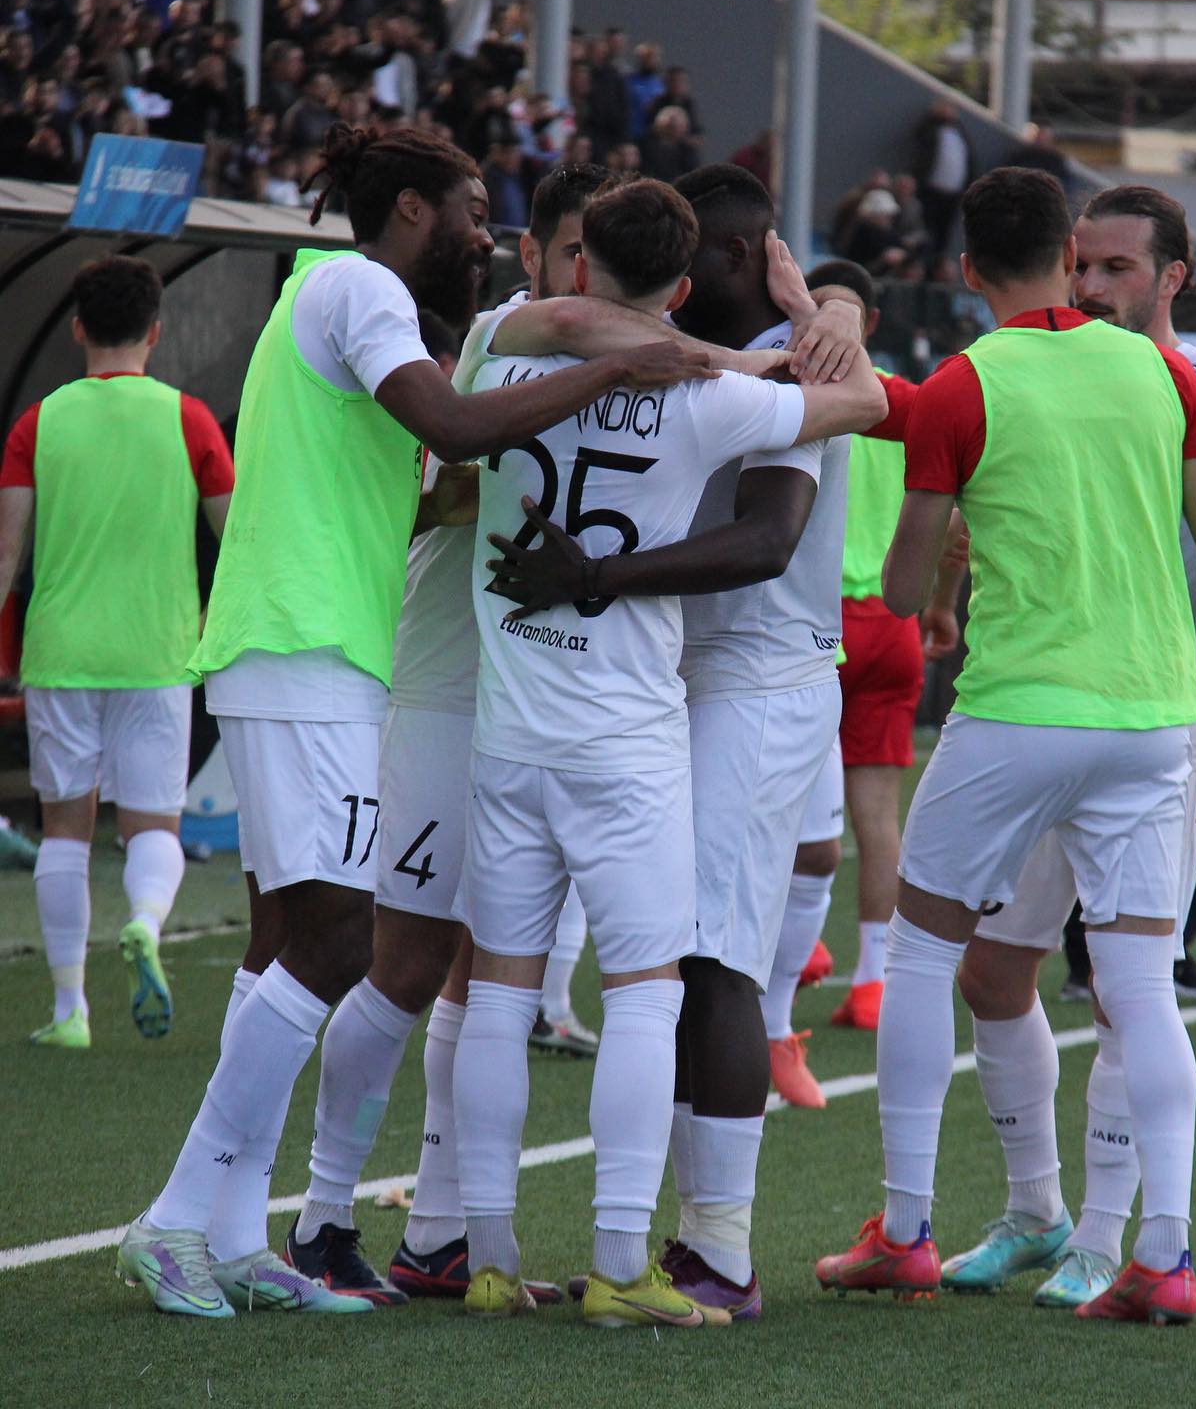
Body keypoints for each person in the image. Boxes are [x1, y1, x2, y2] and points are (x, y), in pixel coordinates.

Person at [114, 124, 705, 1321]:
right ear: (414, 211)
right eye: (476, 210)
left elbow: (427, 485)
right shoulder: (362, 287)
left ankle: (236, 1234)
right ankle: (175, 1217)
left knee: (287, 944)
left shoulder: (334, 300)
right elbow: (458, 429)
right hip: (311, 651)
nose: (488, 234)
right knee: (342, 945)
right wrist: (620, 373)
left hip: (308, 651)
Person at [812, 167, 1196, 1327]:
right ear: (1070, 258)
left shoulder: (964, 384)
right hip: (1153, 717)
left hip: (1018, 711)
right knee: (1140, 986)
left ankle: (906, 1229)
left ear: (966, 272)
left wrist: (951, 555)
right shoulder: (1167, 375)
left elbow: (902, 587)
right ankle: (1163, 1255)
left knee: (922, 954)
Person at [450, 175, 885, 1326]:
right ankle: (640, 1256)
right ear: (694, 274)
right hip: (640, 703)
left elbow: (769, 538)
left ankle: (694, 1249)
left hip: (738, 681)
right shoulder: (738, 387)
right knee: (661, 982)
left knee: (695, 966)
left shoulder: (514, 357)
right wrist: (819, 316)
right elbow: (868, 405)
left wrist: (820, 317)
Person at [932, 184, 1196, 1310]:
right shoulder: (1038, 370)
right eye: (1082, 264)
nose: (1090, 285)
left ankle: (1107, 1239)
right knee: (993, 971)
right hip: (1038, 713)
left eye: (1119, 268)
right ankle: (1035, 1212)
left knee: (1123, 987)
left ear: (1174, 277)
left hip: (1154, 726)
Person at [284, 165, 614, 1307]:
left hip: (533, 711)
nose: (588, 279)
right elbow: (449, 480)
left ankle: (437, 1238)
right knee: (406, 963)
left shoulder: (626, 361)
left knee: (487, 970)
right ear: (534, 255)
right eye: (571, 251)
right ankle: (321, 1215)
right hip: (440, 696)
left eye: (606, 258)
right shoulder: (492, 343)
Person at [0, 255, 234, 1050]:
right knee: (153, 823)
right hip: (159, 651)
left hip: (61, 651)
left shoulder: (36, 424)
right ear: (155, 333)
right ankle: (145, 921)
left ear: (76, 330)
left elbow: (6, 554)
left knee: (65, 829)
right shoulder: (190, 420)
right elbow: (236, 538)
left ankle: (70, 1011)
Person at [761, 260, 961, 1075]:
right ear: (872, 322)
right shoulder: (900, 399)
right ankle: (872, 979)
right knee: (878, 814)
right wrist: (942, 601)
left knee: (779, 805)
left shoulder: (799, 384)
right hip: (893, 620)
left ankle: (787, 947)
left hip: (814, 621)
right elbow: (954, 522)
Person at [912, 97, 971, 261]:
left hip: (953, 193)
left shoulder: (958, 132)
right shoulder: (931, 129)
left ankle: (937, 263)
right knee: (925, 230)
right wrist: (934, 116)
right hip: (931, 189)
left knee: (943, 234)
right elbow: (920, 135)